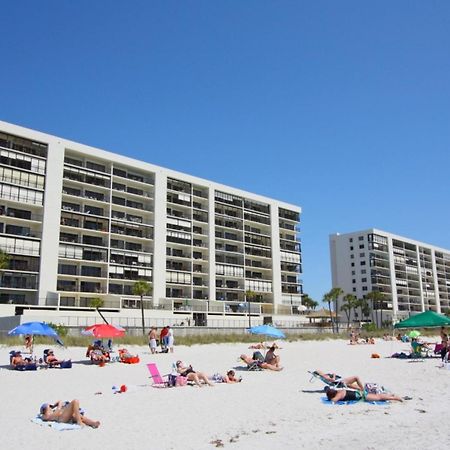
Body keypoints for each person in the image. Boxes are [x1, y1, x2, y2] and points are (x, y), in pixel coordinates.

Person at [325, 386, 403, 403]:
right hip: (360, 393)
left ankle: (396, 398)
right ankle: (392, 396)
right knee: (378, 396)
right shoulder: (340, 391)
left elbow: (333, 401)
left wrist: (330, 399)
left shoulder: (339, 395)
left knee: (379, 397)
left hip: (362, 396)